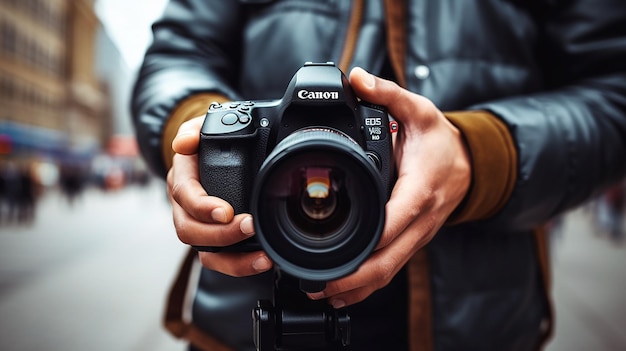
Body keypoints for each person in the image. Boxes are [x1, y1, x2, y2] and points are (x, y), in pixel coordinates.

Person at [131, 1, 626, 350]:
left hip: (480, 327)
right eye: (313, 194)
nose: (317, 194)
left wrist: (480, 156)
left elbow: (614, 91)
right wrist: (204, 130)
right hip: (244, 327)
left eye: (322, 193)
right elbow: (178, 58)